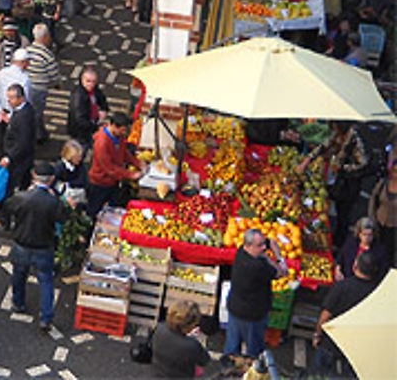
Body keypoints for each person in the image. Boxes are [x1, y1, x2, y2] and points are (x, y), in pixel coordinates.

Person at [0, 162, 69, 330]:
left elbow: (6, 208)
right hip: (44, 246)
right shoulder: (53, 202)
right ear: (51, 179)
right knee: (46, 281)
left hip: (22, 243)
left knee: (19, 275)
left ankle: (18, 303)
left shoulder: (21, 197)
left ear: (34, 176)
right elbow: (63, 218)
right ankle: (45, 318)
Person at [223, 228, 288, 359]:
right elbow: (281, 272)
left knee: (231, 347)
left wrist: (266, 247)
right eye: (259, 246)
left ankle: (228, 369)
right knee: (254, 351)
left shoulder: (242, 252)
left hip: (235, 308)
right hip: (252, 315)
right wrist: (279, 257)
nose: (264, 247)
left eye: (263, 244)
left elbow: (267, 244)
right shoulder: (256, 267)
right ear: (248, 245)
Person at [297, 122, 368, 242]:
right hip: (337, 178)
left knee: (344, 212)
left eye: (335, 126)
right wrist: (307, 160)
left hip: (349, 182)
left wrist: (343, 167)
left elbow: (363, 163)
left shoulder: (355, 138)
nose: (333, 129)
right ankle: (332, 233)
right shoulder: (336, 134)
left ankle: (340, 240)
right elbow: (323, 146)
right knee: (331, 200)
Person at [312, 252, 380, 376]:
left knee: (321, 374)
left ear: (355, 266)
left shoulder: (342, 287)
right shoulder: (377, 293)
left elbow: (325, 316)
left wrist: (318, 334)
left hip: (332, 342)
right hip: (357, 346)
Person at [87, 112, 144, 219]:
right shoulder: (102, 143)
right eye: (122, 130)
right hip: (100, 182)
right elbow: (109, 168)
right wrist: (131, 175)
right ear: (113, 126)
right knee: (94, 209)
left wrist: (137, 163)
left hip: (113, 180)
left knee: (113, 207)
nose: (124, 132)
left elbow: (124, 152)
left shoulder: (118, 136)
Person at [152, 300, 211, 379]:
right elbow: (205, 360)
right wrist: (199, 341)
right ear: (189, 325)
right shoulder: (192, 345)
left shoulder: (160, 328)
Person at [0, 84, 39, 195]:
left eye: (12, 98)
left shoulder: (24, 117)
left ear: (21, 98)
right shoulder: (23, 110)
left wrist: (9, 157)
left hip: (20, 160)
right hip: (22, 158)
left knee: (16, 186)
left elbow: (23, 142)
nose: (9, 101)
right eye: (8, 97)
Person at [27, 22, 61, 144]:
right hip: (39, 88)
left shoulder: (27, 50)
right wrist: (56, 83)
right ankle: (37, 135)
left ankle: (40, 132)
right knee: (37, 112)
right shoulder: (47, 54)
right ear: (46, 37)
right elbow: (53, 73)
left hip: (27, 86)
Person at [0, 48, 31, 133]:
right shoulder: (25, 79)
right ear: (23, 62)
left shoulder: (1, 74)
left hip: (2, 114)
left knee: (2, 140)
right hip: (16, 116)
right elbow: (25, 99)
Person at [367, 149, 397, 267]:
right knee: (374, 247)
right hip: (378, 222)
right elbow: (373, 199)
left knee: (388, 253)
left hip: (394, 227)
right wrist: (372, 217)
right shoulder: (384, 183)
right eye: (394, 171)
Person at [67, 66, 109, 145]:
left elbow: (103, 101)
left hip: (91, 125)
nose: (91, 84)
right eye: (88, 81)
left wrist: (103, 110)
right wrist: (95, 127)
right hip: (80, 132)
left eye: (93, 81)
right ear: (82, 80)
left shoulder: (95, 90)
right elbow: (80, 120)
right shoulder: (78, 96)